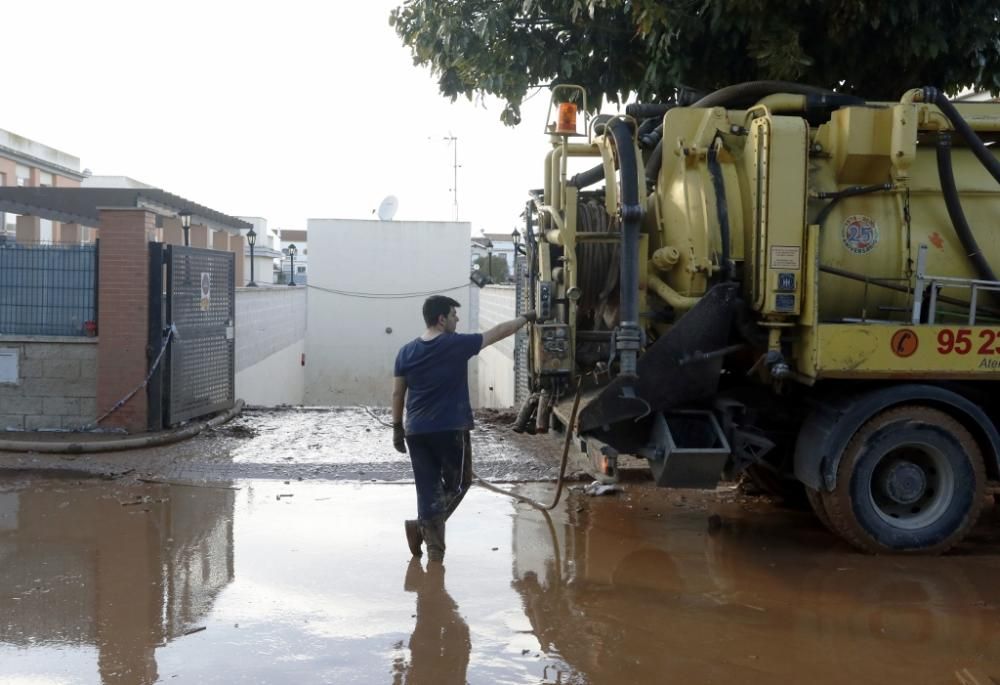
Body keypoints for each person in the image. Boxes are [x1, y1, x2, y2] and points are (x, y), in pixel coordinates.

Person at [392, 294, 535, 562]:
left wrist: (397, 428)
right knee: (458, 484)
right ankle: (423, 531)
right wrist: (524, 318)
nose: (457, 319)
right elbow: (497, 333)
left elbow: (398, 394)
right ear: (441, 319)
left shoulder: (405, 352)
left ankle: (434, 552)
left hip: (416, 432)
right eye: (454, 315)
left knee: (427, 489)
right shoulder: (455, 344)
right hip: (450, 430)